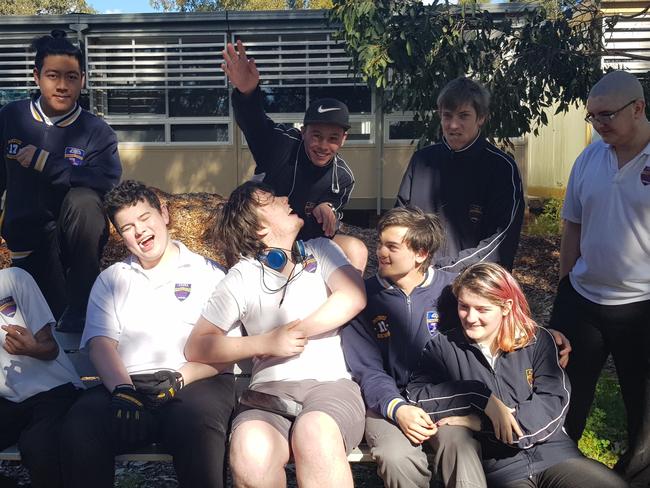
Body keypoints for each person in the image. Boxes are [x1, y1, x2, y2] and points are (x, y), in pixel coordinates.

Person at [185, 180, 367, 488]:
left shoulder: (321, 251)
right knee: (250, 450)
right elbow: (198, 346)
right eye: (271, 199)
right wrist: (266, 342)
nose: (285, 198)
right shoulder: (242, 277)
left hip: (330, 385)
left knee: (315, 433)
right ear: (258, 228)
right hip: (268, 392)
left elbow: (353, 297)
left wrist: (293, 333)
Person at [60, 181, 235, 488]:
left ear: (164, 214)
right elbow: (101, 344)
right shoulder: (112, 280)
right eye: (127, 226)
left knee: (197, 426)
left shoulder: (209, 273)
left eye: (144, 218)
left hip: (195, 382)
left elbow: (226, 348)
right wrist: (123, 391)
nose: (139, 231)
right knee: (81, 424)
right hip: (128, 385)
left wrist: (181, 377)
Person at [407, 263, 629, 488]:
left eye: (482, 309)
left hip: (556, 455)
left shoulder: (537, 340)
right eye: (464, 306)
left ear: (506, 307)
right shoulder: (443, 347)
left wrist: (481, 422)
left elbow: (552, 405)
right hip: (500, 468)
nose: (470, 317)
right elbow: (418, 396)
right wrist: (478, 396)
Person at [548, 70, 650, 488]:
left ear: (639, 108)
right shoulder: (590, 157)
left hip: (643, 304)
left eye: (606, 115)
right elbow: (572, 224)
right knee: (565, 396)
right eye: (592, 117)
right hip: (584, 300)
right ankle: (557, 470)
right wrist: (565, 284)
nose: (598, 124)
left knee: (643, 413)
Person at [342, 207, 487, 488]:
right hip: (386, 404)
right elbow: (367, 369)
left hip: (443, 399)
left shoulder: (451, 291)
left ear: (421, 253)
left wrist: (547, 335)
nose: (380, 252)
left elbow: (496, 315)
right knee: (396, 456)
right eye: (380, 243)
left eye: (391, 246)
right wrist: (397, 409)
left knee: (461, 446)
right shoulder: (363, 297)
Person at [0, 30, 122, 332]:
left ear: (83, 79)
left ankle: (81, 308)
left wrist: (47, 163)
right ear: (36, 76)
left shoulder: (96, 131)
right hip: (26, 247)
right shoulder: (10, 118)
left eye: (72, 77)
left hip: (74, 255)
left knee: (84, 199)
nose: (63, 85)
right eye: (53, 75)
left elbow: (106, 181)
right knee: (32, 340)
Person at [220, 39, 368, 272]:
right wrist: (247, 92)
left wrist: (328, 210)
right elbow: (254, 123)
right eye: (316, 135)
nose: (323, 145)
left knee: (357, 249)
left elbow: (332, 220)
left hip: (307, 241)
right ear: (303, 131)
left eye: (333, 138)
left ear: (343, 139)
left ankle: (346, 306)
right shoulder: (281, 144)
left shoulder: (343, 177)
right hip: (263, 237)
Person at [395, 77, 524, 272]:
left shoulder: (501, 168)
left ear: (481, 118)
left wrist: (448, 269)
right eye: (447, 116)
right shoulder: (422, 161)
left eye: (463, 116)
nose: (453, 125)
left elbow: (501, 239)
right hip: (421, 278)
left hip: (473, 283)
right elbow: (400, 221)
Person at [0, 267, 83, 488]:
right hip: (8, 401)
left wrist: (32, 348)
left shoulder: (13, 279)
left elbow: (50, 348)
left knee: (40, 447)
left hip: (55, 391)